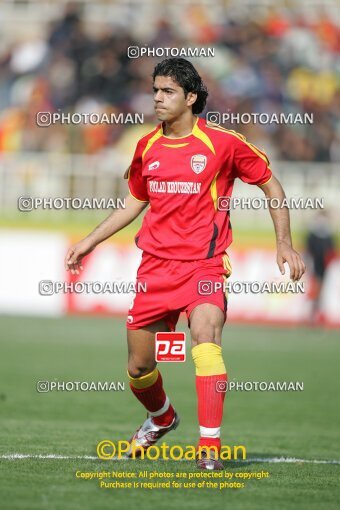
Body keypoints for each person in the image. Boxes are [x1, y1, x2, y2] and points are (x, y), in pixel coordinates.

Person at [64, 57, 306, 470]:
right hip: (154, 269)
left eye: (168, 91)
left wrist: (284, 243)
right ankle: (162, 418)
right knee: (139, 367)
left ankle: (209, 448)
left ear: (191, 98)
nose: (158, 98)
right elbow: (135, 202)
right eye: (155, 90)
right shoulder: (147, 147)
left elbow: (270, 183)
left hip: (204, 266)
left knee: (206, 339)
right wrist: (89, 241)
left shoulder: (223, 143)